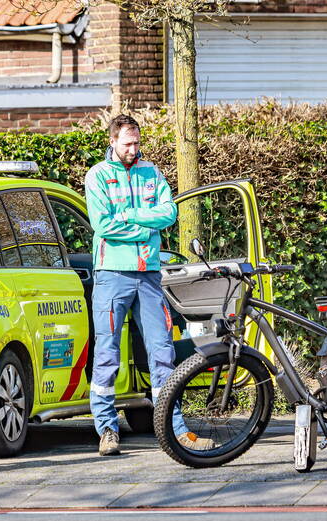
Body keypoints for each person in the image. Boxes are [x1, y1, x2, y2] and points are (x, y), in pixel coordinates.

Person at [84, 114, 209, 456]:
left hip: (149, 274)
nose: (133, 149)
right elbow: (103, 225)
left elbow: (169, 213)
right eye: (127, 143)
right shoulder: (97, 176)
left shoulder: (151, 172)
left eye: (137, 142)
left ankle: (174, 428)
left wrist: (131, 216)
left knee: (163, 353)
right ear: (112, 141)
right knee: (107, 355)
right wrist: (145, 227)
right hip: (112, 274)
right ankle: (107, 430)